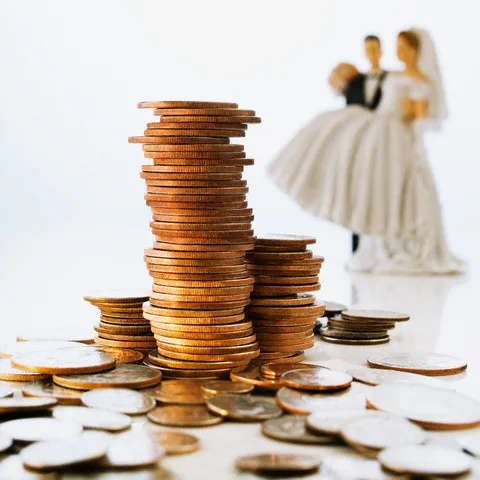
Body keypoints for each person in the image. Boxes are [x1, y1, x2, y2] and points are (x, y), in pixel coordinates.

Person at [268, 29, 466, 275]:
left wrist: (412, 112)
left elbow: (419, 116)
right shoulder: (394, 74)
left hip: (393, 133)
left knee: (388, 184)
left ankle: (392, 241)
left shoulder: (418, 81)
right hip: (375, 126)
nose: (399, 53)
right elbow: (364, 81)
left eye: (404, 48)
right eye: (398, 47)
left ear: (416, 51)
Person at [329, 35, 388, 253]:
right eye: (368, 49)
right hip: (358, 148)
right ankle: (358, 250)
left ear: (381, 51)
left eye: (375, 48)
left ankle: (383, 249)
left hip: (384, 147)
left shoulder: (391, 79)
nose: (372, 53)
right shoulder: (355, 82)